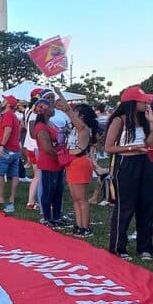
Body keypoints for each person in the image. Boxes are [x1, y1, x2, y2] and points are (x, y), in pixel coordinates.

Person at [104, 86, 153, 260]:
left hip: (144, 162)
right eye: (143, 101)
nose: (147, 103)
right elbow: (108, 147)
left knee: (147, 205)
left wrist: (151, 124)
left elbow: (149, 144)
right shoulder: (119, 120)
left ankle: (145, 247)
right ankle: (118, 247)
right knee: (125, 206)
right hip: (126, 164)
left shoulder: (143, 119)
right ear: (133, 102)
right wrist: (132, 148)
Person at [59, 101, 98, 238]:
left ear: (81, 116)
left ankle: (85, 228)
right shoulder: (74, 128)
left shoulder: (83, 128)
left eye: (76, 111)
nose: (72, 113)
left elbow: (68, 111)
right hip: (72, 163)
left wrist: (61, 96)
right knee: (75, 199)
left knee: (82, 199)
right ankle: (79, 226)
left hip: (80, 163)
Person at [31, 97, 65, 227]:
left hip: (57, 162)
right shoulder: (41, 127)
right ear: (44, 110)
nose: (53, 108)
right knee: (48, 191)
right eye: (50, 106)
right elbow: (47, 149)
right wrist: (61, 159)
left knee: (58, 191)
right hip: (49, 163)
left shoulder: (49, 124)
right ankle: (46, 217)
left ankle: (56, 217)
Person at [0, 95, 22, 212]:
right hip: (15, 149)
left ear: (8, 104)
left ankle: (0, 197)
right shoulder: (13, 115)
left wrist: (2, 145)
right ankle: (12, 198)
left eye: (4, 100)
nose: (2, 102)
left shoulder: (8, 115)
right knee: (14, 173)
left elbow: (8, 130)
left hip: (7, 148)